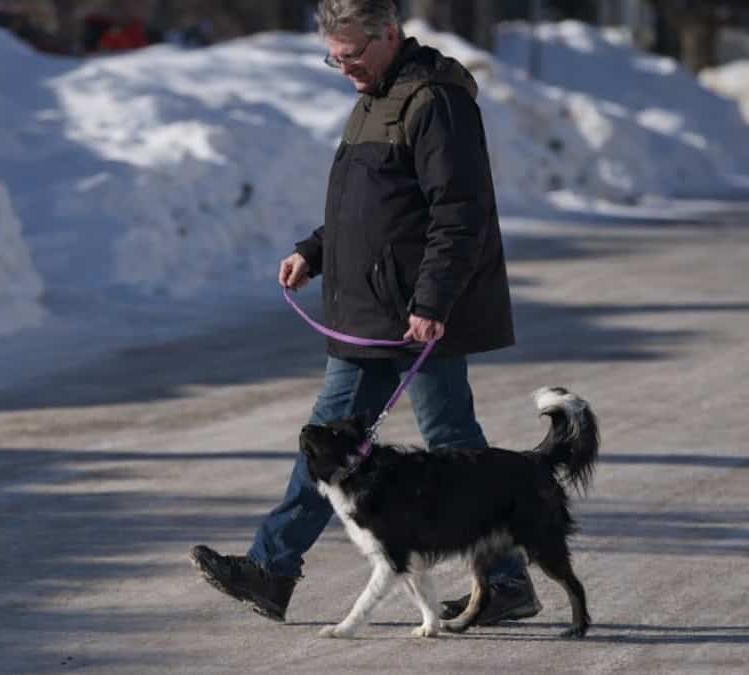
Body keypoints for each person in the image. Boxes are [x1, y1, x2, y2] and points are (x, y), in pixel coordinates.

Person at [190, 0, 539, 627]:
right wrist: (315, 250)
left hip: (411, 315)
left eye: (351, 55)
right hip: (374, 313)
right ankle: (503, 580)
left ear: (388, 34)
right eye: (335, 57)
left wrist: (432, 301)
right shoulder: (377, 96)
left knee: (446, 443)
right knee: (355, 441)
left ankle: (503, 578)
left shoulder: (434, 101)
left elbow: (458, 213)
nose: (343, 67)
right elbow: (371, 207)